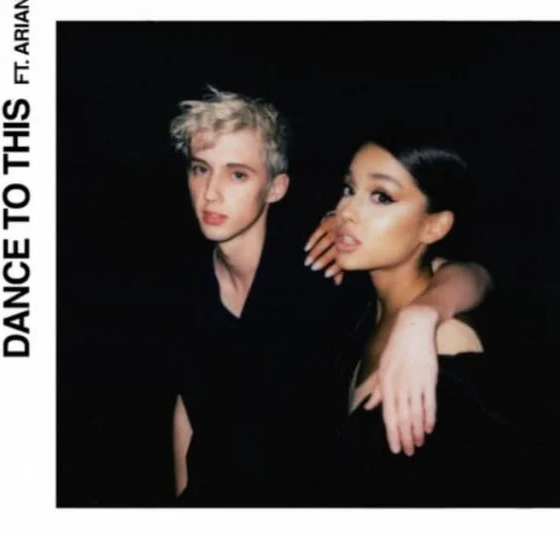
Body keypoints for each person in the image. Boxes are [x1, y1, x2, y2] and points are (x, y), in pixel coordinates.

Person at [166, 87, 492, 505]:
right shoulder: (181, 285)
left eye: (238, 174)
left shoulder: (323, 267)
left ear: (277, 187)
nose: (211, 192)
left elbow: (473, 273)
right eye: (200, 169)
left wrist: (424, 314)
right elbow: (188, 402)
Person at [321, 133, 518, 506]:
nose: (344, 212)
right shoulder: (358, 303)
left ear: (434, 227)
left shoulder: (448, 354)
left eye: (381, 197)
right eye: (349, 189)